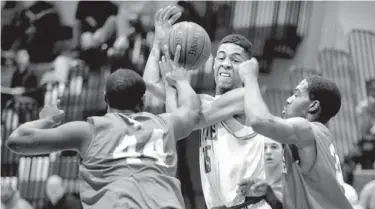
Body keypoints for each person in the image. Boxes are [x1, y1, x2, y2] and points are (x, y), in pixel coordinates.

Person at [6, 65, 201, 208]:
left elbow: (17, 140)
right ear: (142, 100)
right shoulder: (165, 124)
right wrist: (182, 81)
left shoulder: (89, 130)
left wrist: (48, 120)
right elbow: (192, 110)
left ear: (105, 97)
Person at [143, 6, 268, 208]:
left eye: (235, 60)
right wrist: (159, 43)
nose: (226, 64)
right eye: (221, 57)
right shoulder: (204, 104)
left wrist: (180, 83)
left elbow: (189, 120)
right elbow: (149, 83)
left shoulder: (245, 98)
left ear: (246, 69)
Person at [237, 58, 353, 209]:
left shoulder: (307, 129)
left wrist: (249, 77)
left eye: (296, 94)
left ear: (313, 106)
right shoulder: (318, 139)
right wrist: (268, 193)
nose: (288, 99)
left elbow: (259, 122)